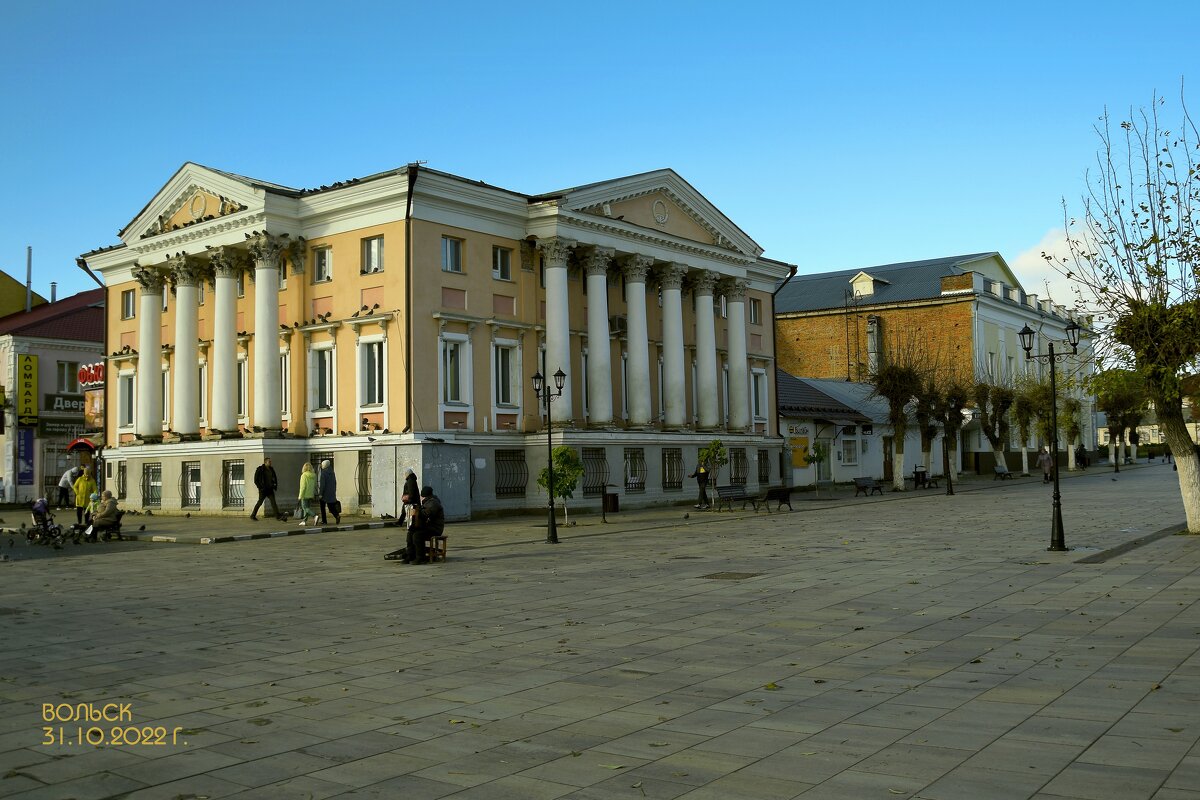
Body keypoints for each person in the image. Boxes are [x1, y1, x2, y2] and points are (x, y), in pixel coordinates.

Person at [402, 486, 444, 564]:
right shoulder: (428, 502)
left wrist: (416, 512)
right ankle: (410, 555)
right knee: (411, 532)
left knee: (417, 535)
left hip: (435, 528)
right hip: (428, 527)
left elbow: (427, 513)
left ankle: (421, 557)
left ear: (424, 496)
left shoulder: (434, 502)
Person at [317, 459, 340, 524]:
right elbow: (335, 482)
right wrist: (334, 490)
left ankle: (324, 521)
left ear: (324, 465)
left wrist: (321, 493)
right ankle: (337, 515)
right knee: (331, 506)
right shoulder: (332, 472)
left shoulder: (323, 473)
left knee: (322, 507)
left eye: (322, 464)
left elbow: (322, 484)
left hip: (324, 493)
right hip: (331, 492)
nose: (321, 466)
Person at [297, 462, 317, 526]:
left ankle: (314, 516)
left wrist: (300, 496)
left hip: (304, 494)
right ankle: (304, 521)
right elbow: (315, 485)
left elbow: (303, 487)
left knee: (305, 508)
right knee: (307, 508)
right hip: (310, 494)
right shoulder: (314, 475)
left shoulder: (304, 475)